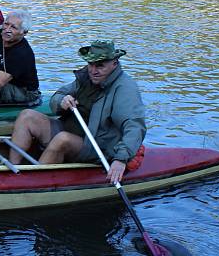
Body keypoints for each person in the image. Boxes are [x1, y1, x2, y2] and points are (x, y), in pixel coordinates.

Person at [8, 40, 146, 184]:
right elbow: (58, 95)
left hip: (98, 145)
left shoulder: (125, 88)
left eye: (100, 66)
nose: (93, 70)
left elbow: (135, 126)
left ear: (114, 63)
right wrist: (62, 101)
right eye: (91, 64)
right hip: (69, 129)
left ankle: (33, 184)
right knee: (27, 116)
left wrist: (121, 159)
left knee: (63, 139)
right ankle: (12, 173)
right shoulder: (86, 76)